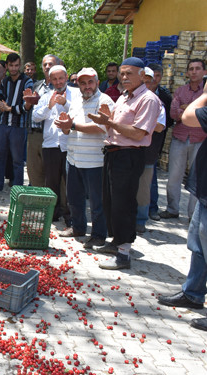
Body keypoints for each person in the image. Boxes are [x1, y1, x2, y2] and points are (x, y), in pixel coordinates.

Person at [87, 57, 161, 270]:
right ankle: (116, 243)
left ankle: (123, 255)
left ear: (142, 76)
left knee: (124, 204)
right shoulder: (123, 97)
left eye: (130, 73)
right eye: (123, 73)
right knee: (111, 202)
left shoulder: (147, 99)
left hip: (129, 155)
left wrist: (108, 122)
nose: (125, 77)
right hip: (114, 153)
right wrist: (106, 120)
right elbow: (114, 126)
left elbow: (138, 134)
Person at [157, 83, 207, 330]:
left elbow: (187, 116)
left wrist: (205, 94)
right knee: (197, 245)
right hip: (204, 190)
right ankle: (193, 293)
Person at [54, 67, 114, 249]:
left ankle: (98, 235)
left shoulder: (105, 100)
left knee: (97, 202)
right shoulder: (76, 101)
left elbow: (102, 128)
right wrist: (64, 126)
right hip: (73, 158)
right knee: (74, 198)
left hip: (95, 160)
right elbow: (69, 127)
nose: (87, 86)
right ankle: (78, 228)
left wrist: (71, 125)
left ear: (97, 82)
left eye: (90, 82)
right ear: (78, 84)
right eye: (83, 83)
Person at [160, 59, 206, 220]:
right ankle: (172, 209)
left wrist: (185, 110)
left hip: (200, 139)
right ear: (187, 72)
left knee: (198, 178)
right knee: (174, 176)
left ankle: (193, 214)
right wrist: (190, 112)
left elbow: (201, 114)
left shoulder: (204, 94)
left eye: (198, 68)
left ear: (204, 72)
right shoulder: (180, 91)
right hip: (180, 138)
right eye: (191, 69)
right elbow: (173, 113)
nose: (194, 72)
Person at [0, 53, 34, 193]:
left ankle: (18, 188)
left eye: (16, 65)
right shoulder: (5, 81)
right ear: (6, 66)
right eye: (11, 65)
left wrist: (9, 108)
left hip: (18, 125)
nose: (13, 68)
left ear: (20, 65)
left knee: (18, 160)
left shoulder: (27, 81)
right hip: (3, 123)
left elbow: (27, 106)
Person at [31, 65, 73, 225]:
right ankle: (52, 214)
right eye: (54, 79)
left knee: (70, 183)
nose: (58, 82)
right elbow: (35, 117)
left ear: (66, 77)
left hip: (69, 144)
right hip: (50, 145)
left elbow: (78, 113)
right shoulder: (45, 96)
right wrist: (49, 105)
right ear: (49, 80)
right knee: (51, 182)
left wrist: (66, 104)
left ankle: (70, 217)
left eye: (60, 78)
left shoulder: (75, 94)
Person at [136, 67, 169, 233]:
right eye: (143, 81)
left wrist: (139, 123)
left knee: (143, 189)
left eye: (149, 82)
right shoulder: (130, 100)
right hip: (128, 152)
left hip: (148, 153)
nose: (146, 84)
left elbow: (159, 126)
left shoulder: (157, 103)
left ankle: (140, 221)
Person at [24, 54, 62, 188]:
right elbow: (27, 108)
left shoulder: (61, 86)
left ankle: (60, 207)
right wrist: (27, 103)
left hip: (52, 135)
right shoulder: (37, 85)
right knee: (34, 173)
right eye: (44, 64)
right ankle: (39, 203)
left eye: (50, 64)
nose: (47, 67)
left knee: (54, 175)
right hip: (34, 133)